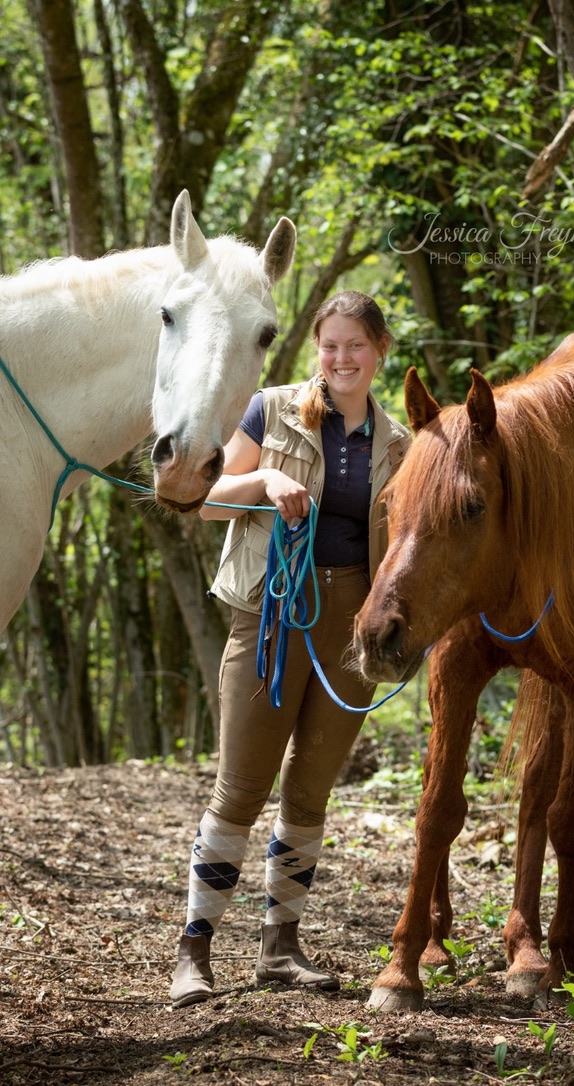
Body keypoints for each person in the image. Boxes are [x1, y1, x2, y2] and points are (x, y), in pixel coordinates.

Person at [170, 290, 411, 1007]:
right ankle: (194, 950)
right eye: (330, 345)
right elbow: (204, 497)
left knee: (310, 793)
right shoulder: (271, 409)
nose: (341, 358)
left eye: (355, 346)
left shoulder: (398, 443)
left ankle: (281, 949)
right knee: (240, 790)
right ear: (317, 348)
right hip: (271, 613)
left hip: (350, 628)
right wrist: (266, 479)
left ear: (379, 353)